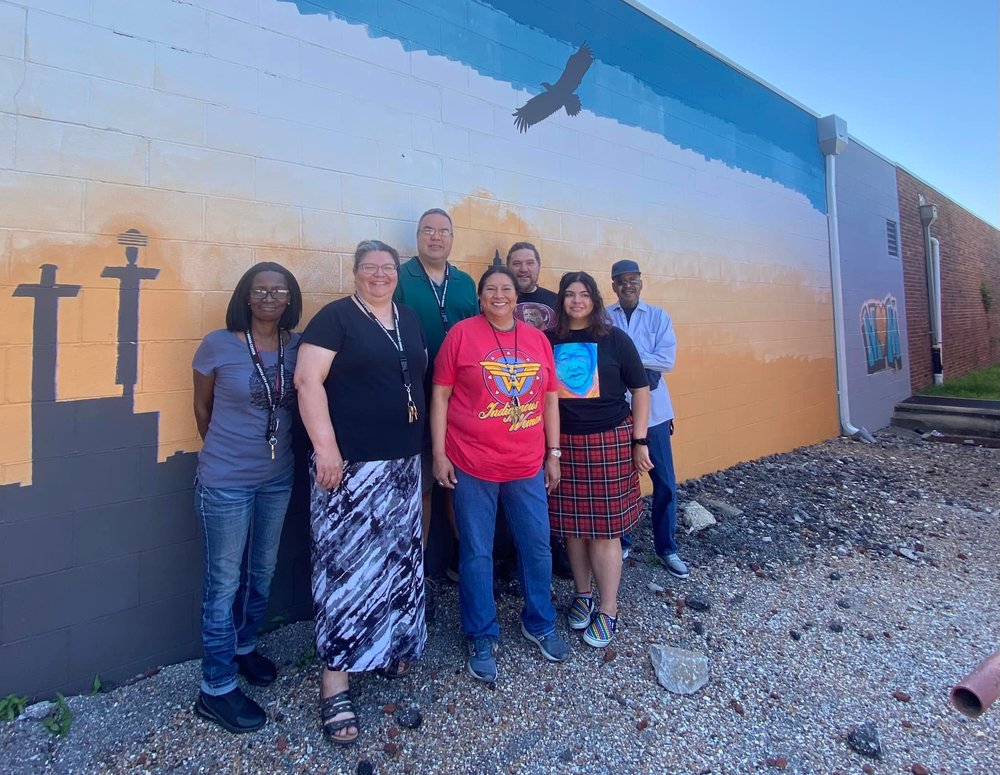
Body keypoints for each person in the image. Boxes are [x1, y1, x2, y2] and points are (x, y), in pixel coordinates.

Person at [295, 240, 427, 746]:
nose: (379, 275)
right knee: (346, 571)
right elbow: (309, 382)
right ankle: (335, 682)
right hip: (348, 467)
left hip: (402, 466)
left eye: (387, 268)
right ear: (354, 273)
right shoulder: (335, 318)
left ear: (398, 273)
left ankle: (386, 649)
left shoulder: (409, 318)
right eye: (369, 267)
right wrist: (325, 447)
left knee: (396, 563)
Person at [431, 265, 569, 683]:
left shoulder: (536, 339)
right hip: (472, 463)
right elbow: (440, 395)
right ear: (480, 296)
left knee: (537, 546)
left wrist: (554, 453)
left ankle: (539, 621)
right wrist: (439, 453)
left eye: (506, 288)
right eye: (490, 289)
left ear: (517, 296)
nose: (499, 295)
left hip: (526, 463)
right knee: (475, 551)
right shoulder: (461, 336)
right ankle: (480, 632)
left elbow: (549, 400)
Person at [191, 262, 303, 733]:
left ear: (290, 299)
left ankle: (242, 647)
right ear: (245, 296)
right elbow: (202, 408)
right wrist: (229, 453)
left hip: (278, 477)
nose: (270, 297)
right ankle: (215, 688)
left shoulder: (298, 346)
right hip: (225, 481)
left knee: (263, 571)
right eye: (260, 290)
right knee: (223, 581)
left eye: (279, 290)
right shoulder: (218, 344)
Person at [547, 271, 652, 649]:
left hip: (609, 441)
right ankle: (582, 594)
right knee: (573, 528)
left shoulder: (615, 340)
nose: (576, 301)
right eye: (570, 294)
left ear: (594, 300)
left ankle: (608, 609)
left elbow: (640, 391)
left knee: (605, 531)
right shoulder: (548, 340)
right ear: (561, 301)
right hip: (564, 446)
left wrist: (640, 440)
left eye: (584, 294)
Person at [394, 208, 478, 581]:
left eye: (443, 231)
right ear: (417, 236)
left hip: (464, 398)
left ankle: (469, 561)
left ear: (452, 238)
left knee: (461, 482)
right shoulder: (400, 277)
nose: (436, 237)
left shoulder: (464, 282)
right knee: (425, 484)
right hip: (416, 395)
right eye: (428, 230)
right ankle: (420, 569)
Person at [608, 260, 689, 579]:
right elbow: (603, 359)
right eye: (621, 281)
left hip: (654, 414)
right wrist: (642, 367)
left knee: (665, 483)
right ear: (613, 285)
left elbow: (666, 360)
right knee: (620, 482)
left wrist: (627, 363)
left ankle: (666, 548)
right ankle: (622, 543)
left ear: (641, 282)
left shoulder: (658, 316)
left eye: (633, 280)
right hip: (617, 412)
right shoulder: (605, 317)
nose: (628, 285)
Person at [507, 241, 558, 330]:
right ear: (508, 268)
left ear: (539, 266)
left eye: (530, 263)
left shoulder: (557, 301)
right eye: (517, 263)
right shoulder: (498, 302)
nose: (523, 269)